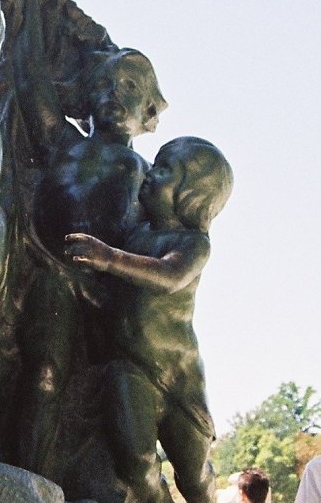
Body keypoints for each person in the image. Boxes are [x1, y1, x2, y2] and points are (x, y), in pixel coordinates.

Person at [8, 0, 168, 481]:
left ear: (149, 109)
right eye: (106, 82)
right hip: (39, 267)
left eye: (128, 88)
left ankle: (34, 477)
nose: (111, 93)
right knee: (40, 376)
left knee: (51, 376)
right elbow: (30, 85)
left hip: (95, 292)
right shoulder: (65, 146)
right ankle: (23, 476)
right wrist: (27, 1)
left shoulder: (148, 176)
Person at [65, 135, 233, 503]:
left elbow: (169, 275)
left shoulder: (192, 244)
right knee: (138, 466)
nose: (150, 174)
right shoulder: (133, 235)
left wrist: (110, 258)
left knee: (193, 476)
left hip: (178, 380)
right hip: (130, 368)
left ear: (191, 193)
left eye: (164, 170)